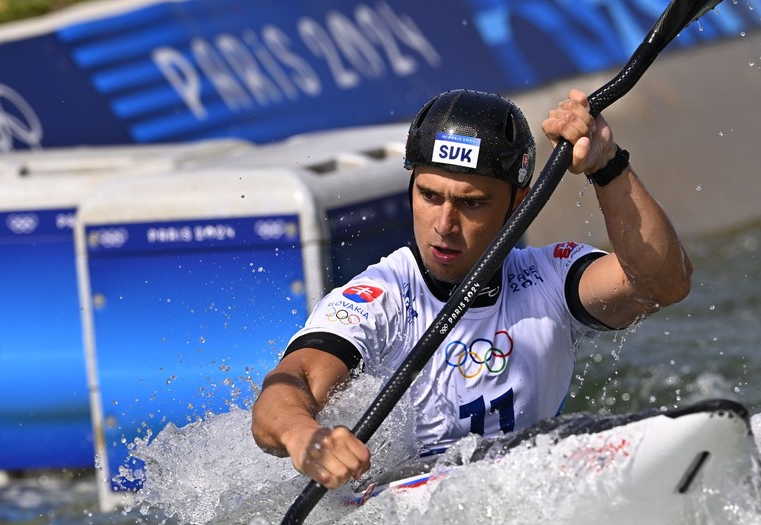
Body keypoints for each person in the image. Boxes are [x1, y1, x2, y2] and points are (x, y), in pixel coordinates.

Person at [251, 88, 692, 490]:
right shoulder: (377, 297)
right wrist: (303, 435)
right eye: (429, 196)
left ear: (518, 204)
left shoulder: (550, 278)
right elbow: (287, 387)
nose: (444, 224)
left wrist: (608, 164)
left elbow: (662, 283)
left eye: (471, 203)